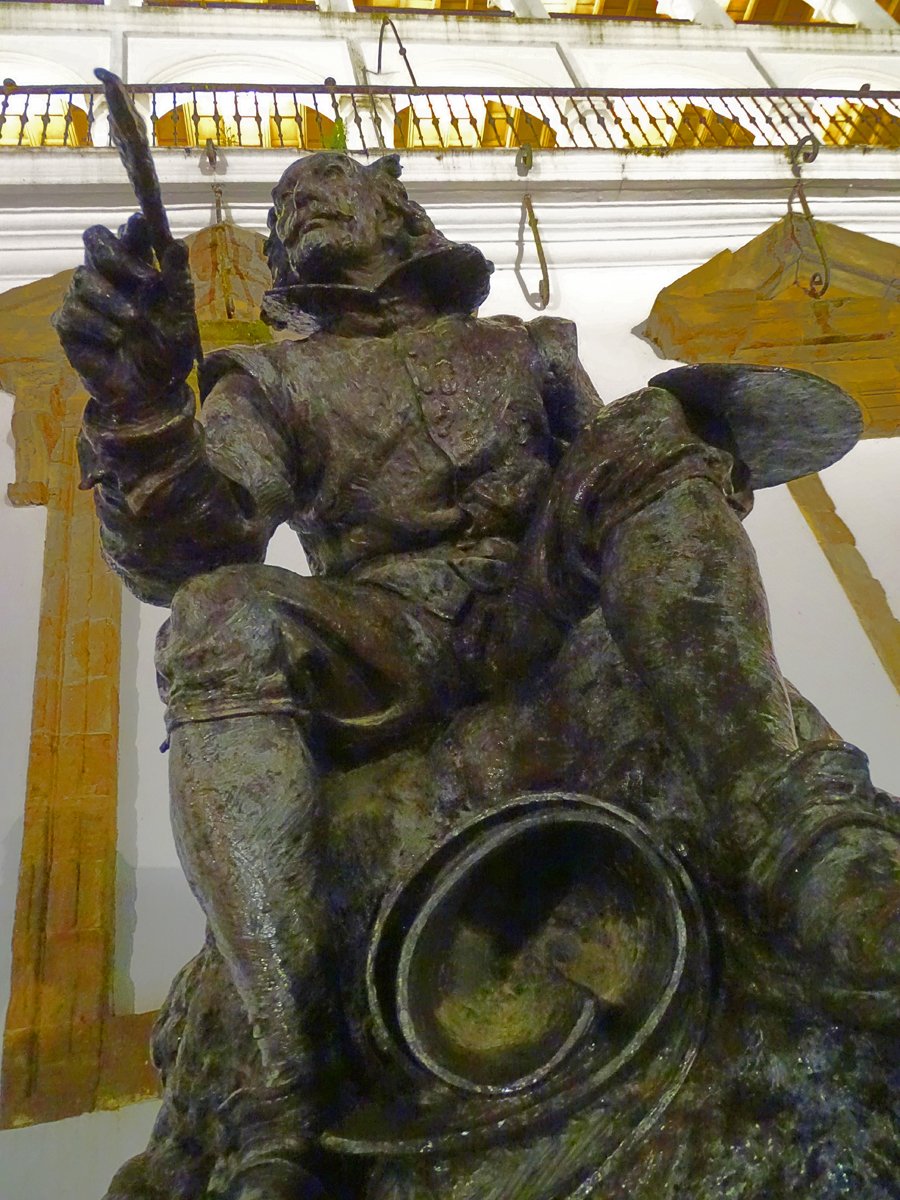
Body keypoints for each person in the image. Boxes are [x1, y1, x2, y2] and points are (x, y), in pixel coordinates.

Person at [54, 151, 900, 1200]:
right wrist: (140, 411)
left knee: (649, 431)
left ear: (399, 213)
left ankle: (802, 844)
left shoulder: (529, 347)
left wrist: (677, 461)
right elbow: (193, 550)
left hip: (536, 600)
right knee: (214, 616)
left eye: (329, 184)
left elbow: (614, 482)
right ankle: (283, 1078)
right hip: (382, 638)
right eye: (285, 205)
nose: (298, 201)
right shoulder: (265, 381)